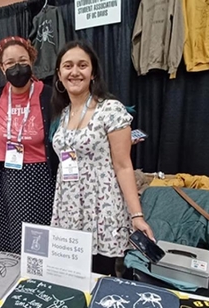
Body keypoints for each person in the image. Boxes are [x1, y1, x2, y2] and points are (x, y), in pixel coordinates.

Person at [50, 40, 155, 276]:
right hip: (68, 207)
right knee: (70, 275)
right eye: (67, 66)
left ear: (93, 72)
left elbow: (123, 166)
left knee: (99, 277)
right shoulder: (63, 113)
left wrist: (136, 216)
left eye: (82, 65)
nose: (74, 72)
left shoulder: (111, 110)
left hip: (101, 208)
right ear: (59, 73)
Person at [0, 36, 58, 253]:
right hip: (11, 174)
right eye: (9, 63)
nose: (16, 67)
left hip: (43, 176)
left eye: (22, 60)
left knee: (42, 235)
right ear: (1, 67)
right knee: (16, 234)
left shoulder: (48, 93)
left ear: (32, 61)